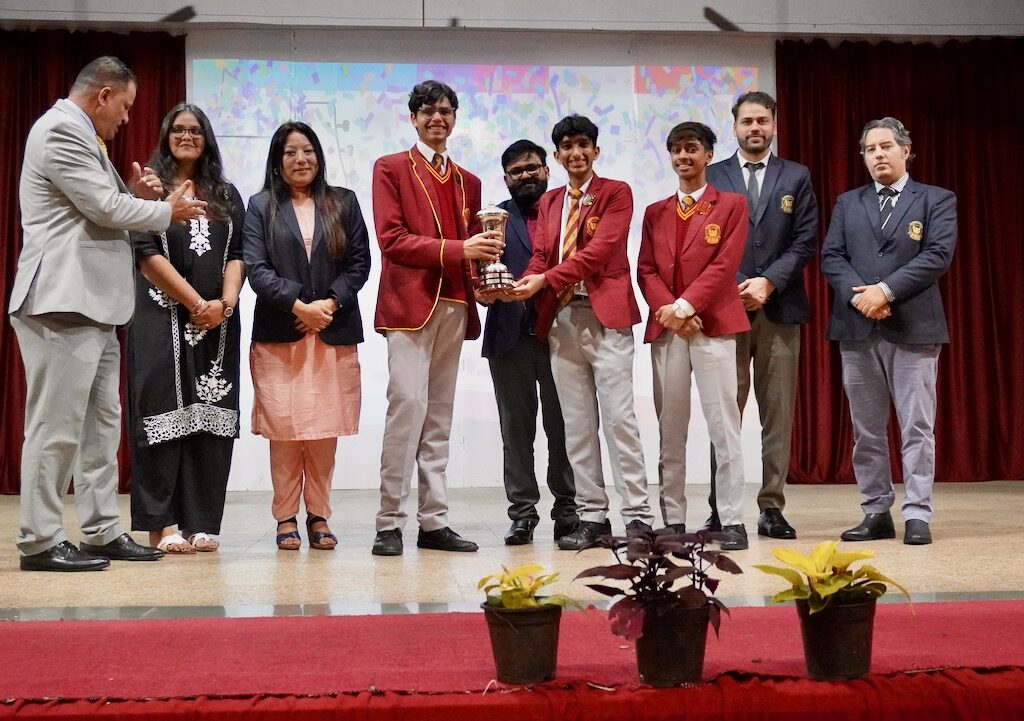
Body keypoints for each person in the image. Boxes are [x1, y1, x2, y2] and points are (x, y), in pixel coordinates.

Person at [9, 56, 206, 571]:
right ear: (103, 95)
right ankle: (39, 539)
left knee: (100, 427)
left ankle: (100, 529)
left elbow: (101, 205)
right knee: (55, 426)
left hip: (93, 305)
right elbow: (102, 208)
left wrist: (133, 196)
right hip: (61, 299)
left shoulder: (86, 136)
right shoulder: (60, 130)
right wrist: (163, 211)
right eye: (125, 105)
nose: (126, 117)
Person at [371, 80, 503, 556]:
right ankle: (389, 522)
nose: (437, 118)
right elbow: (392, 240)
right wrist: (460, 250)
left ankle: (434, 522)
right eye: (427, 110)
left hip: (456, 303)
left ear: (455, 118)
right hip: (409, 306)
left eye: (445, 110)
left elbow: (475, 251)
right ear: (413, 118)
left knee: (439, 416)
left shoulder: (469, 181)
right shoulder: (390, 167)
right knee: (407, 408)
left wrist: (485, 282)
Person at [514, 114, 653, 551]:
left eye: (582, 145)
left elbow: (599, 252)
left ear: (595, 150)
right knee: (576, 427)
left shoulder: (616, 192)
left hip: (607, 317)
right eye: (567, 147)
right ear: (556, 156)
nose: (576, 153)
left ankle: (638, 517)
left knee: (619, 421)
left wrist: (544, 279)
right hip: (562, 320)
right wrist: (521, 283)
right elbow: (541, 255)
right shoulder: (550, 201)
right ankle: (593, 516)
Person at [821, 117, 956, 546]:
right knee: (866, 430)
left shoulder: (936, 199)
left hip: (914, 328)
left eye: (886, 146)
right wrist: (861, 298)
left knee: (916, 426)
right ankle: (876, 510)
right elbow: (832, 257)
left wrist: (885, 290)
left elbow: (937, 255)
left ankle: (917, 513)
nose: (878, 154)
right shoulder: (848, 202)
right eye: (870, 149)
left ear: (906, 150)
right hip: (857, 328)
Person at [244, 121, 370, 551]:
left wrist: (328, 306)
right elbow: (256, 268)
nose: (301, 160)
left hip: (332, 331)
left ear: (319, 156)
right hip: (281, 333)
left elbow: (359, 264)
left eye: (308, 151)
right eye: (290, 152)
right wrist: (299, 306)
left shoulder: (343, 202)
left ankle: (318, 515)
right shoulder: (261, 206)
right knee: (284, 431)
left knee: (322, 431)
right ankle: (285, 518)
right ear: (277, 162)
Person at [127, 103, 245, 554]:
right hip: (161, 317)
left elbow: (239, 254)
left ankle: (202, 522)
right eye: (178, 129)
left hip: (216, 322)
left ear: (207, 138)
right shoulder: (149, 189)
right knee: (162, 416)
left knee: (210, 419)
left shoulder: (226, 194)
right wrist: (195, 302)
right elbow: (145, 253)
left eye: (196, 130)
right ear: (166, 135)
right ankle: (162, 526)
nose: (187, 136)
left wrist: (224, 304)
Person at [704, 91, 818, 539]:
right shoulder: (713, 175)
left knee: (777, 414)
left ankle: (772, 507)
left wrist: (768, 281)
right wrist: (734, 286)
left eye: (762, 121)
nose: (755, 128)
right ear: (734, 127)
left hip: (781, 308)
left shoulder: (797, 176)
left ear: (773, 126)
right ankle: (721, 509)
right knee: (724, 415)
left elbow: (805, 239)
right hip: (724, 309)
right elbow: (704, 240)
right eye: (747, 121)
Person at [637, 122, 751, 551]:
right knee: (671, 427)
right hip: (669, 330)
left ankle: (733, 520)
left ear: (708, 155)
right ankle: (673, 519)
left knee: (725, 426)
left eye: (691, 148)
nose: (683, 156)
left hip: (713, 325)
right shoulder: (656, 211)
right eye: (676, 150)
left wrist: (684, 308)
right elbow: (645, 269)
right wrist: (671, 315)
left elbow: (725, 265)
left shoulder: (731, 205)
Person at [478, 139, 578, 545]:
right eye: (516, 172)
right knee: (516, 431)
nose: (525, 176)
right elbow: (480, 274)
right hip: (508, 335)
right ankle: (522, 512)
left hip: (562, 333)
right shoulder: (492, 220)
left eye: (532, 168)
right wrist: (484, 291)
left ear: (547, 170)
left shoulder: (568, 212)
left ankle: (568, 508)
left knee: (564, 427)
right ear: (506, 179)